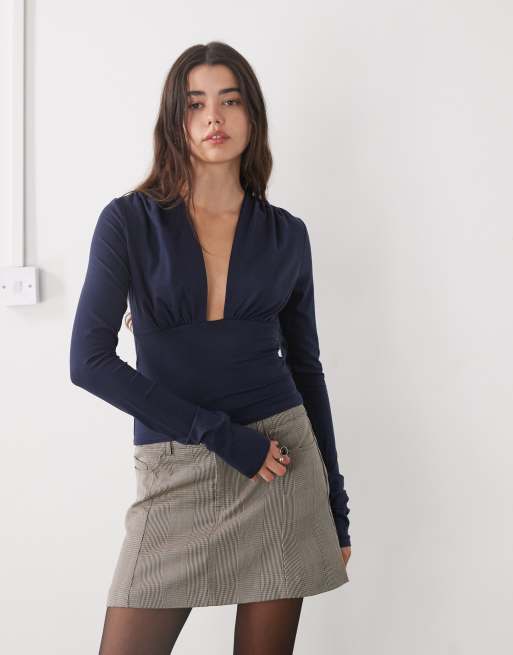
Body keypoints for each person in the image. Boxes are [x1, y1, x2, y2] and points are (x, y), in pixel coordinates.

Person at [70, 41, 351, 655]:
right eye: (195, 103)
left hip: (279, 463)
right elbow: (88, 363)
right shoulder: (128, 221)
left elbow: (306, 369)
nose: (214, 117)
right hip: (179, 461)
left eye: (230, 100)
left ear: (252, 116)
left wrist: (336, 503)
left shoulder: (287, 234)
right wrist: (219, 435)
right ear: (176, 119)